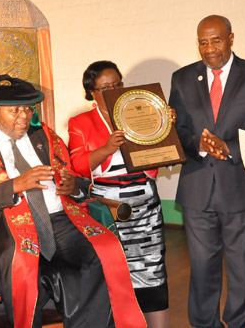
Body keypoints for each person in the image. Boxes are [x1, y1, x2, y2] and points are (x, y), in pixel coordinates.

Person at [0, 74, 145, 328]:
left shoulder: (46, 137)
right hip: (10, 229)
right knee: (24, 269)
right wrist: (15, 185)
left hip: (62, 220)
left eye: (28, 109)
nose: (24, 116)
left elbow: (78, 180)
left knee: (101, 253)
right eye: (14, 110)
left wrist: (72, 186)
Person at [169, 15, 245, 328]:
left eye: (216, 40)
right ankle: (204, 324)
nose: (209, 49)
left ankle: (242, 324)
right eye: (202, 42)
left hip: (243, 188)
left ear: (231, 38)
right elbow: (175, 129)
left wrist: (228, 146)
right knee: (202, 269)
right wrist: (200, 144)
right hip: (197, 189)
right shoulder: (182, 78)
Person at [68, 61, 169, 328]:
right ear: (91, 92)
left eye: (117, 85)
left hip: (144, 201)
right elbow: (78, 165)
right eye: (105, 88)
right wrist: (107, 148)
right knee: (113, 271)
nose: (113, 91)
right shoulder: (80, 122)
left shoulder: (140, 110)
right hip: (106, 205)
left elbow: (161, 150)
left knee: (152, 268)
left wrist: (165, 125)